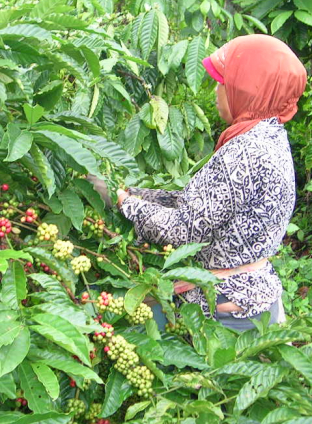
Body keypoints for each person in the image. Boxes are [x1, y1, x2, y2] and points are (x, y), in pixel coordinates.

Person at [116, 34, 307, 330]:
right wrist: (139, 195)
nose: (218, 90)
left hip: (227, 313)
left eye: (224, 82)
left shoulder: (244, 152)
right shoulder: (270, 136)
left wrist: (126, 205)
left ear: (249, 90)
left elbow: (184, 229)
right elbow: (204, 207)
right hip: (257, 297)